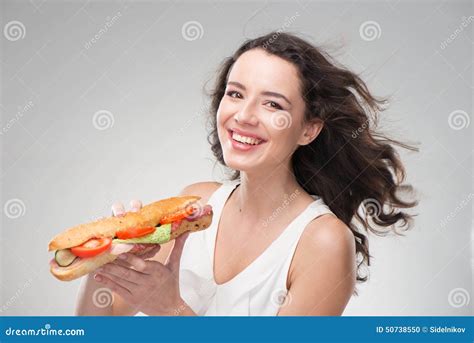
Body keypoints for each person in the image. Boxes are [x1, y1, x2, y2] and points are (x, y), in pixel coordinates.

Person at [76, 31, 417, 316]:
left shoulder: (323, 242)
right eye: (236, 94)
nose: (244, 116)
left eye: (273, 104)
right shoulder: (197, 203)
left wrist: (171, 310)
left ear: (308, 129)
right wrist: (107, 259)